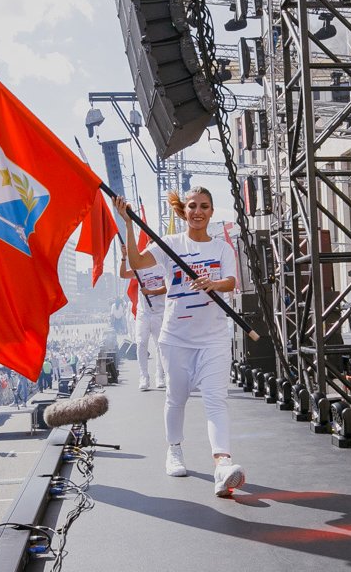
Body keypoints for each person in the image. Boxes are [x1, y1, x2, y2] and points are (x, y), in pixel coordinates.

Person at [116, 188, 246, 497]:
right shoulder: (169, 244)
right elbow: (136, 261)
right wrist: (128, 223)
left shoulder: (222, 249)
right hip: (175, 338)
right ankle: (174, 450)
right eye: (192, 206)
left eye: (204, 206)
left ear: (211, 212)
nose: (198, 211)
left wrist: (213, 284)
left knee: (216, 400)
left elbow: (231, 281)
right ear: (183, 211)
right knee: (176, 398)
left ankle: (222, 464)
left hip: (213, 339)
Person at [120, 252, 168, 390]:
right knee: (141, 343)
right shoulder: (140, 268)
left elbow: (167, 288)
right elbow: (123, 274)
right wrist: (124, 257)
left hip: (159, 312)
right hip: (143, 313)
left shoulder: (163, 267)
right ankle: (144, 377)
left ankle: (160, 376)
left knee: (160, 346)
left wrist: (150, 292)